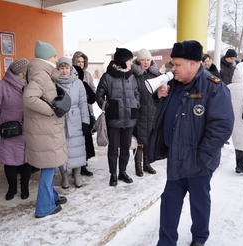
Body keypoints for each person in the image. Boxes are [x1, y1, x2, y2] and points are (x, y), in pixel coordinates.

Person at [147, 40, 234, 246]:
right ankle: (166, 242)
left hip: (199, 162)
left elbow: (221, 127)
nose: (172, 68)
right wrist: (158, 98)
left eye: (177, 64)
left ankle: (199, 238)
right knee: (169, 202)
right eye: (172, 64)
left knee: (199, 203)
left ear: (193, 64)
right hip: (176, 156)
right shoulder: (173, 85)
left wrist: (201, 158)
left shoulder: (214, 87)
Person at [23, 41, 67, 218]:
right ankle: (44, 207)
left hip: (45, 129)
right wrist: (50, 111)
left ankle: (52, 197)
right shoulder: (41, 74)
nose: (56, 59)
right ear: (46, 57)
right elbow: (29, 98)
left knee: (49, 165)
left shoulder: (41, 72)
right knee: (49, 168)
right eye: (54, 56)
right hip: (45, 130)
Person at [0, 58, 32, 200]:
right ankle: (12, 188)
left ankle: (25, 187)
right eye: (27, 70)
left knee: (27, 160)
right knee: (10, 161)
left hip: (29, 130)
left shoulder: (31, 85)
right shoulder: (2, 86)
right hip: (9, 132)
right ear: (20, 73)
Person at [96, 48, 140, 186]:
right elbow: (99, 95)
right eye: (129, 60)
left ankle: (122, 171)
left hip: (129, 117)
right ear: (122, 61)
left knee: (126, 147)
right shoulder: (107, 77)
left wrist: (135, 104)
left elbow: (137, 93)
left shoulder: (132, 77)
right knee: (113, 148)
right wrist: (107, 106)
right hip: (114, 117)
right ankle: (113, 174)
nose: (131, 63)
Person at [56, 57, 90, 189]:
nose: (64, 71)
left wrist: (85, 122)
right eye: (61, 68)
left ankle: (77, 174)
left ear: (71, 68)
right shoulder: (54, 83)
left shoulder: (78, 83)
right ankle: (64, 175)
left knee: (77, 148)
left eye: (67, 68)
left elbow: (83, 104)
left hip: (76, 119)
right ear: (58, 69)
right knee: (62, 148)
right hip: (60, 120)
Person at [131, 48, 160, 177]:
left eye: (148, 59)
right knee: (139, 141)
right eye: (143, 60)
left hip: (153, 111)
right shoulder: (134, 76)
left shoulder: (156, 75)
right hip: (139, 111)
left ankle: (147, 164)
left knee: (149, 139)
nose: (146, 62)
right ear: (138, 61)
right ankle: (138, 166)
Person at [72, 51, 96, 176]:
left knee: (86, 140)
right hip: (73, 114)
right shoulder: (70, 74)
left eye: (82, 62)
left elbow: (93, 91)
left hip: (86, 111)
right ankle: (74, 166)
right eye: (78, 62)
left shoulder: (87, 75)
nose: (80, 64)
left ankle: (84, 165)